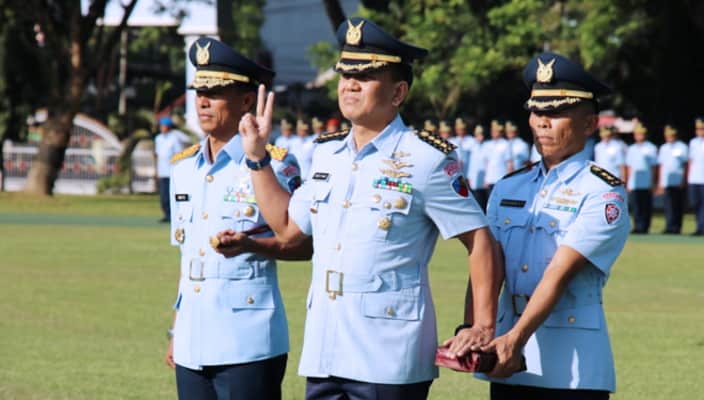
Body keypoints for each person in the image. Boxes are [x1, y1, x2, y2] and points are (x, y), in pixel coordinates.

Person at [238, 17, 502, 400]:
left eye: (365, 76)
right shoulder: (326, 153)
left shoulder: (426, 159)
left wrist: (480, 325)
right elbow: (287, 229)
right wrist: (258, 158)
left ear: (398, 92)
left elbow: (480, 242)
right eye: (346, 74)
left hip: (388, 354)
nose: (350, 84)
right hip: (325, 349)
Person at [476, 52, 630, 400]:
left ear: (589, 124)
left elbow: (560, 273)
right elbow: (489, 265)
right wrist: (476, 327)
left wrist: (516, 338)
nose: (542, 122)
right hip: (508, 360)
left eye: (557, 113)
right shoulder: (508, 187)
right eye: (536, 111)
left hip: (571, 369)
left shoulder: (603, 191)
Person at [164, 37, 311, 400]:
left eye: (215, 93)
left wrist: (251, 246)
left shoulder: (274, 164)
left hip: (248, 340)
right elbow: (189, 258)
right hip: (192, 339)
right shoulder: (183, 168)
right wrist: (177, 329)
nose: (202, 101)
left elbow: (303, 245)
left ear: (246, 101)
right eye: (199, 92)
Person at [154, 116, 189, 222]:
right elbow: (157, 155)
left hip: (172, 171)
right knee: (163, 196)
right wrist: (156, 170)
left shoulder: (174, 138)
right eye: (161, 126)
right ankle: (167, 214)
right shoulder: (158, 138)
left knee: (172, 195)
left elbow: (179, 154)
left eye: (164, 126)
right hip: (162, 171)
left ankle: (174, 215)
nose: (162, 128)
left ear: (168, 127)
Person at [625, 122, 658, 233]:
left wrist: (653, 181)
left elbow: (654, 166)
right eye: (637, 134)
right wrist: (628, 182)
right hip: (634, 182)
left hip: (646, 181)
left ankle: (645, 226)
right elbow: (629, 166)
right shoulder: (631, 149)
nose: (639, 136)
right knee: (636, 206)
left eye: (641, 134)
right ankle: (638, 226)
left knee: (646, 206)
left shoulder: (651, 148)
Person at [656, 125, 688, 234]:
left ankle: (677, 227)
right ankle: (669, 226)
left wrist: (684, 180)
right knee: (668, 206)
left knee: (678, 205)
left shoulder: (682, 147)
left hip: (678, 180)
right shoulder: (664, 148)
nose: (669, 137)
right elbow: (661, 166)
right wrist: (660, 182)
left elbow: (685, 165)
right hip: (667, 181)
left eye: (671, 135)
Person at [484, 120, 512, 192]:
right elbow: (487, 163)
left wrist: (509, 179)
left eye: (496, 131)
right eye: (493, 131)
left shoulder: (505, 144)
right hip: (490, 179)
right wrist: (486, 179)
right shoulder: (488, 144)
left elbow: (509, 163)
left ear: (500, 132)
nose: (494, 133)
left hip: (501, 177)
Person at [688, 117, 704, 235]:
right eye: (698, 129)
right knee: (696, 204)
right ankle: (699, 226)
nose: (699, 131)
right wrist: (689, 177)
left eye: (701, 128)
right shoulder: (693, 142)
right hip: (694, 179)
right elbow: (690, 161)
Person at [469, 124, 489, 210]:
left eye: (481, 135)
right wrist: (469, 176)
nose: (480, 137)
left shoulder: (487, 146)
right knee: (476, 200)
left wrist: (487, 178)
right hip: (474, 177)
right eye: (478, 135)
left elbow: (488, 164)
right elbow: (471, 164)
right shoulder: (472, 146)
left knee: (485, 200)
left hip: (485, 177)